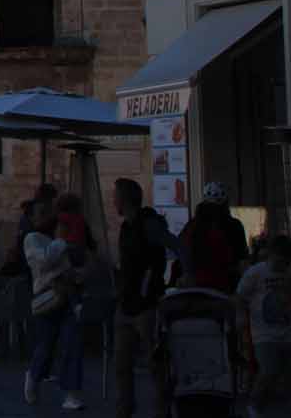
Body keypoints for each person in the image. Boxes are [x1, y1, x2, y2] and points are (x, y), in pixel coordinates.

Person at [110, 176, 176, 418]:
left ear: (124, 200)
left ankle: (162, 412)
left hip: (146, 306)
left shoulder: (149, 224)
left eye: (115, 196)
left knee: (155, 364)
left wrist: (183, 275)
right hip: (126, 304)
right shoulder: (126, 227)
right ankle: (123, 412)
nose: (112, 200)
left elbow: (175, 245)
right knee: (121, 366)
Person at [24, 197, 87, 411]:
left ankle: (72, 393)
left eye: (47, 211)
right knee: (46, 346)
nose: (45, 216)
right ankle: (34, 375)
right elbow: (44, 261)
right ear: (32, 219)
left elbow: (70, 265)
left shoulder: (58, 238)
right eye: (40, 213)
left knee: (72, 344)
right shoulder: (32, 239)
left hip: (68, 297)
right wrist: (61, 241)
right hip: (48, 297)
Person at [235, 234, 291, 418]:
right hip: (263, 333)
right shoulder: (256, 273)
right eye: (278, 261)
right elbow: (240, 296)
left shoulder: (289, 274)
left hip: (287, 331)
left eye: (285, 262)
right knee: (269, 370)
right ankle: (255, 404)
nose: (280, 266)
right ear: (271, 255)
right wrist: (241, 318)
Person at [181, 182, 247, 293]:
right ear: (226, 202)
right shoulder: (234, 225)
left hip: (196, 286)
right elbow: (241, 258)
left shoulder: (192, 225)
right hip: (225, 285)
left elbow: (182, 251)